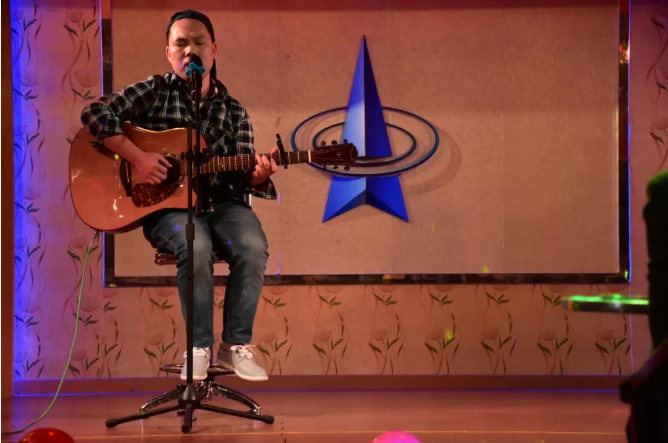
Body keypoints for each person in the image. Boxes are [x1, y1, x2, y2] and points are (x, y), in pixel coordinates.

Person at [80, 10, 278, 382]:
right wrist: (138, 158)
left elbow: (240, 178)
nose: (190, 50)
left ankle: (234, 345)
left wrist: (257, 176)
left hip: (221, 203)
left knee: (252, 246)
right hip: (166, 208)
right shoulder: (154, 91)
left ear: (214, 49)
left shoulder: (233, 111)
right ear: (169, 53)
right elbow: (94, 113)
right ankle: (198, 347)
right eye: (181, 44)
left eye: (199, 42)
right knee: (195, 243)